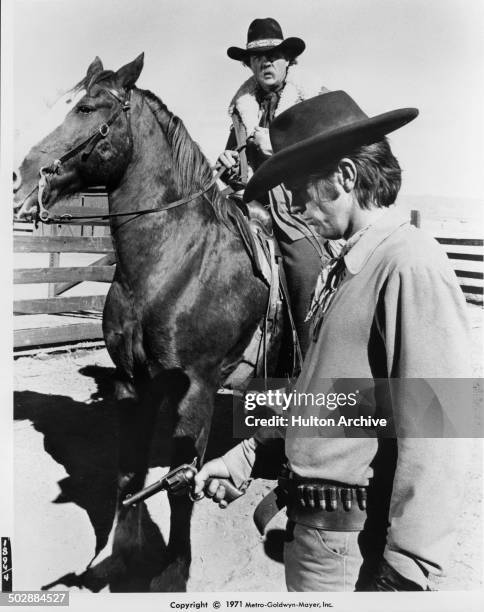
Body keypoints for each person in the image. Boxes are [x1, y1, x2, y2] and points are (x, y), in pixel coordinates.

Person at [195, 91, 471, 591]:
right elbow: (334, 402)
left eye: (300, 188)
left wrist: (407, 568)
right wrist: (243, 457)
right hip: (315, 537)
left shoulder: (409, 262)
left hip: (352, 550)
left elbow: (442, 424)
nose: (295, 205)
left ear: (345, 176)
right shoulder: (342, 268)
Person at [219, 17, 335, 356]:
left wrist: (278, 147)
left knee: (304, 265)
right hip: (249, 203)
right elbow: (237, 163)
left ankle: (309, 357)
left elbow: (332, 156)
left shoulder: (313, 100)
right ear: (249, 63)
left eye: (274, 55)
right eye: (257, 57)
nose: (266, 62)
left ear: (289, 60)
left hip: (302, 207)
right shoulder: (242, 108)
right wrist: (227, 164)